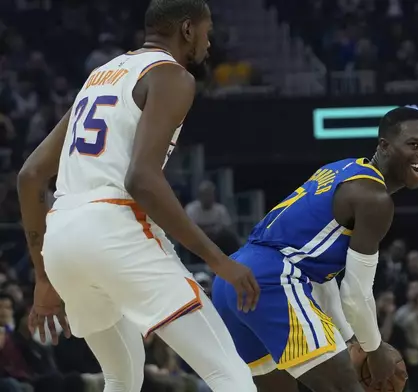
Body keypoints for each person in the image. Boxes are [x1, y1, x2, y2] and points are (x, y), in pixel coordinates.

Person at [16, 1, 259, 391]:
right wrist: (219, 260)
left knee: (122, 375)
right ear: (186, 29)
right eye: (206, 31)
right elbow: (142, 180)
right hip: (114, 227)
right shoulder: (172, 76)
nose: (209, 43)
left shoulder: (100, 75)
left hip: (62, 236)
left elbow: (30, 177)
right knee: (228, 372)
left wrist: (43, 278)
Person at [212, 107, 418, 392]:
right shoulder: (374, 198)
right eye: (413, 145)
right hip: (273, 280)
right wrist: (374, 350)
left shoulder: (341, 168)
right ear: (384, 146)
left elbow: (322, 280)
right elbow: (355, 295)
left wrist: (352, 339)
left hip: (234, 281)